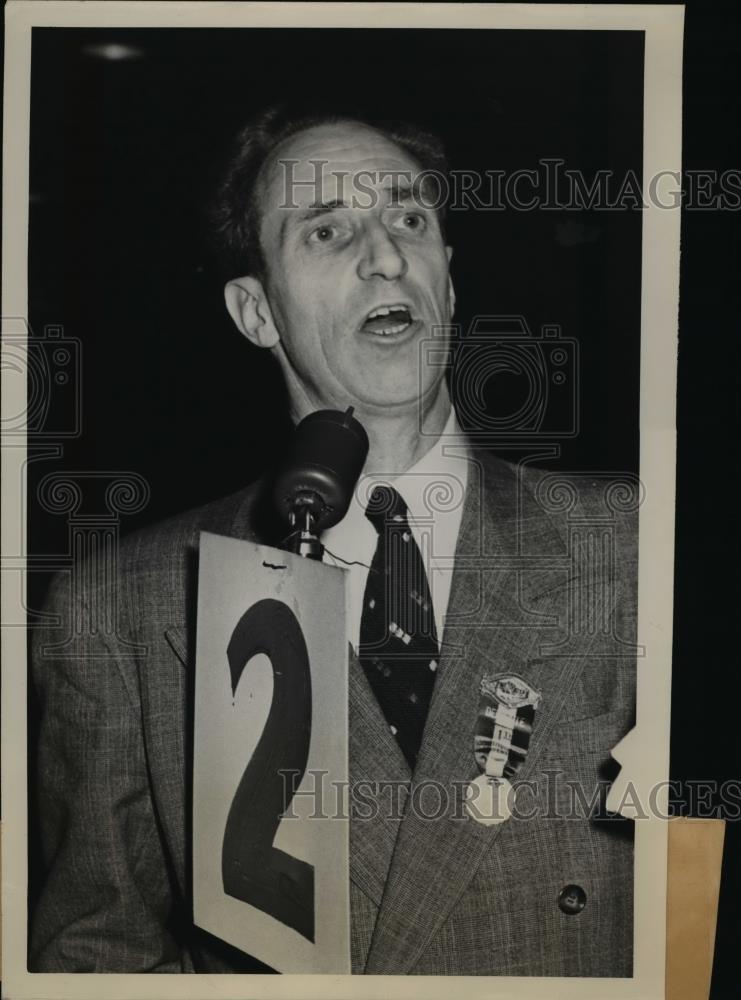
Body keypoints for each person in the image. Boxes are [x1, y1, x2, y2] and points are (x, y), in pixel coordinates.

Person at [30, 105, 637, 976]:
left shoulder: (639, 547)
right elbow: (97, 957)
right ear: (255, 312)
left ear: (449, 280)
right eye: (326, 230)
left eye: (409, 218)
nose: (385, 255)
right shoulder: (123, 609)